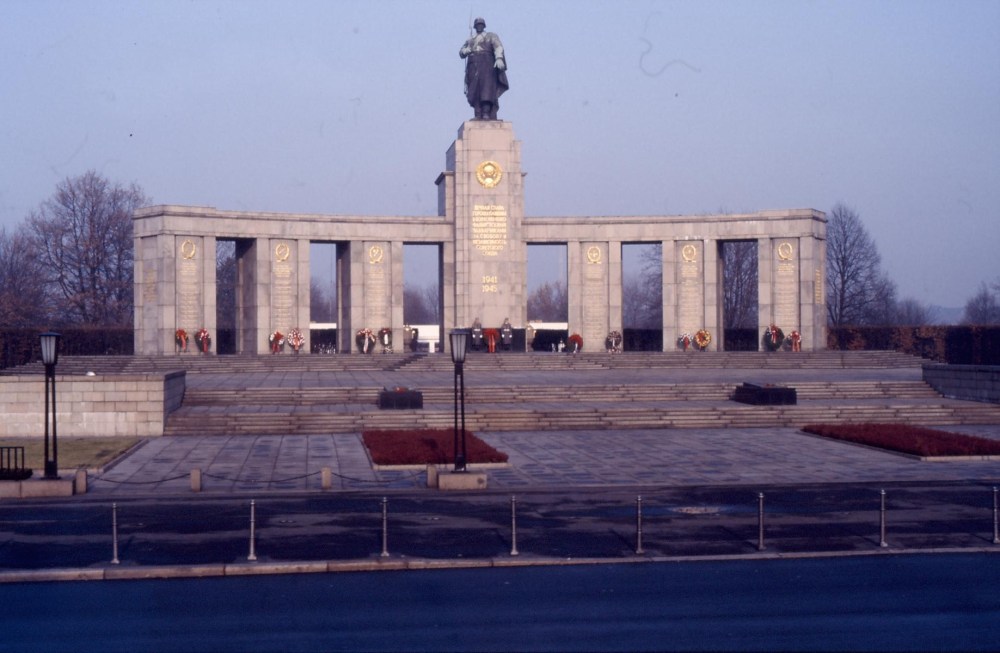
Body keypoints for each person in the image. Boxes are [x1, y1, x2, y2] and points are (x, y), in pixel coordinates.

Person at [460, 17, 508, 120]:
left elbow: (498, 47)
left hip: (487, 65)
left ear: (484, 25)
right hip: (473, 65)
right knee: (474, 89)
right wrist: (465, 51)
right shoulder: (470, 39)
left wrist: (499, 58)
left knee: (487, 89)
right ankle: (477, 114)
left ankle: (486, 112)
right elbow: (461, 51)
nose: (479, 26)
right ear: (475, 26)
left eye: (481, 24)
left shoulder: (491, 36)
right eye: (477, 25)